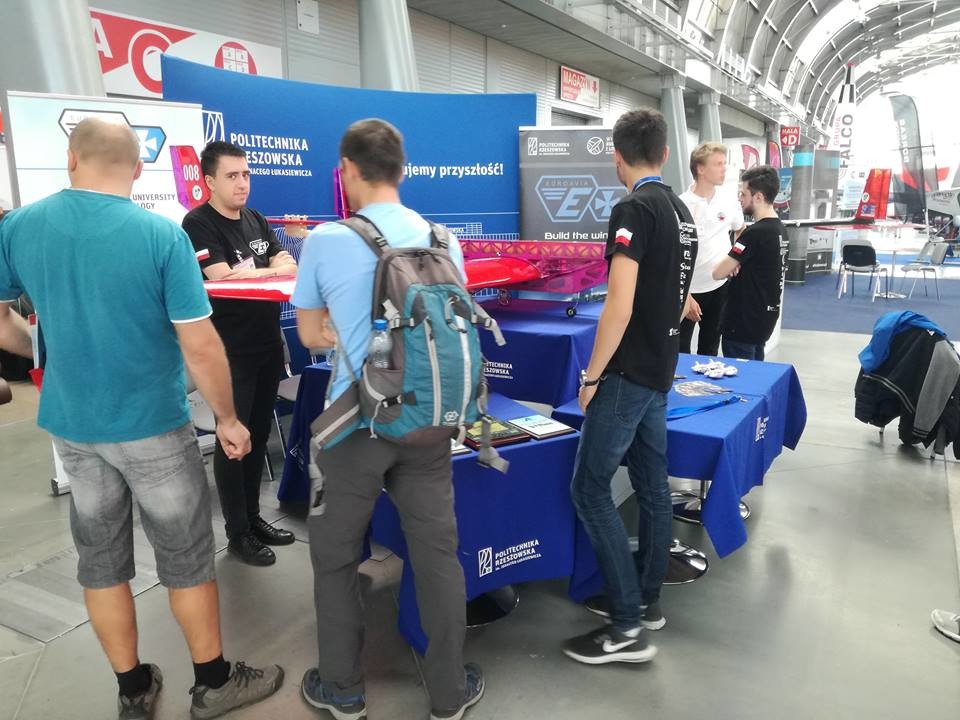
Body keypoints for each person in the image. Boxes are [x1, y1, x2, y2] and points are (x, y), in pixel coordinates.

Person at [0, 119, 283, 720]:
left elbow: (4, 323)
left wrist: (47, 352)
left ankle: (132, 689)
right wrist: (228, 420)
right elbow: (200, 343)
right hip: (152, 423)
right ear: (136, 168)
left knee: (100, 564)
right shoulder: (159, 235)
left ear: (71, 159)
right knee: (186, 560)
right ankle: (213, 683)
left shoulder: (19, 226)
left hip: (74, 427)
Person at [292, 118, 483, 720]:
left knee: (337, 556)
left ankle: (343, 689)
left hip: (355, 424)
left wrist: (349, 332)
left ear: (347, 171)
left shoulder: (326, 239)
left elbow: (309, 334)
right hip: (428, 420)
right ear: (402, 171)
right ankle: (449, 692)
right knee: (437, 555)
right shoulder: (443, 239)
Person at [562, 109, 697, 665]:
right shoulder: (681, 212)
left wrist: (591, 375)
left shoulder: (632, 210)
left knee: (590, 490)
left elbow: (618, 305)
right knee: (651, 484)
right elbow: (678, 297)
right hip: (660, 370)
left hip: (626, 375)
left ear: (617, 157)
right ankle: (645, 601)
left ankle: (624, 626)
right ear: (664, 154)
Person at [182, 141, 298, 567]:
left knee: (259, 433)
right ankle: (237, 533)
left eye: (246, 174)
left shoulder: (256, 219)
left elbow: (288, 264)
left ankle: (253, 518)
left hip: (266, 343)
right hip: (230, 351)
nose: (242, 183)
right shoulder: (198, 223)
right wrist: (271, 270)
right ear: (210, 181)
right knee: (234, 440)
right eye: (232, 176)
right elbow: (223, 279)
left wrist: (262, 270)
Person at [712, 165, 787, 361]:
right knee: (755, 372)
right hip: (763, 319)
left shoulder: (755, 234)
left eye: (743, 194)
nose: (740, 199)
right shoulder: (780, 230)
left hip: (742, 322)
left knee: (740, 375)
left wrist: (733, 263)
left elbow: (718, 272)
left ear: (758, 197)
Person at [678, 142, 745, 356]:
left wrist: (735, 258)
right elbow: (673, 251)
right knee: (679, 349)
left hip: (719, 287)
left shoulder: (729, 202)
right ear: (700, 168)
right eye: (718, 164)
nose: (724, 169)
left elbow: (740, 229)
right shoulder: (680, 204)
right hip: (687, 289)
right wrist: (685, 294)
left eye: (725, 163)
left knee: (710, 347)